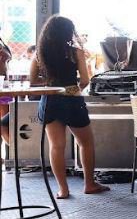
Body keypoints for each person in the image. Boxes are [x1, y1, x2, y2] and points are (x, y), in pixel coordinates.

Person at [29, 16, 109, 199]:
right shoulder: (75, 52)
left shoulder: (40, 53)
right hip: (72, 100)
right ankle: (89, 184)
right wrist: (74, 89)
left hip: (50, 100)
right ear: (67, 32)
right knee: (85, 142)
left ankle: (63, 190)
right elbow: (86, 80)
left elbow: (32, 80)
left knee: (56, 146)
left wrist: (50, 83)